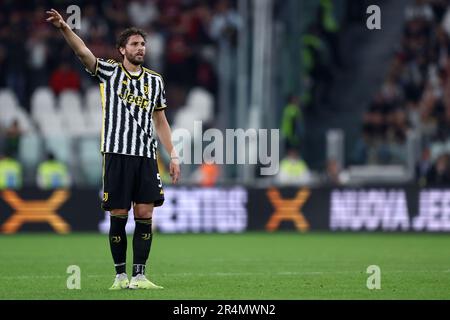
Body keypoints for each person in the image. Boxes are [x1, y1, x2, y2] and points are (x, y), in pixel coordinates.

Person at [46, 9, 181, 290]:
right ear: (122, 50)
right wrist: (63, 28)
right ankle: (120, 276)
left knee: (145, 214)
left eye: (142, 44)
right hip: (117, 154)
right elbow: (83, 52)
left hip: (146, 156)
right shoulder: (109, 71)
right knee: (118, 214)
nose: (140, 48)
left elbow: (161, 120)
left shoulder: (155, 81)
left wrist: (174, 154)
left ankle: (140, 276)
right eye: (134, 44)